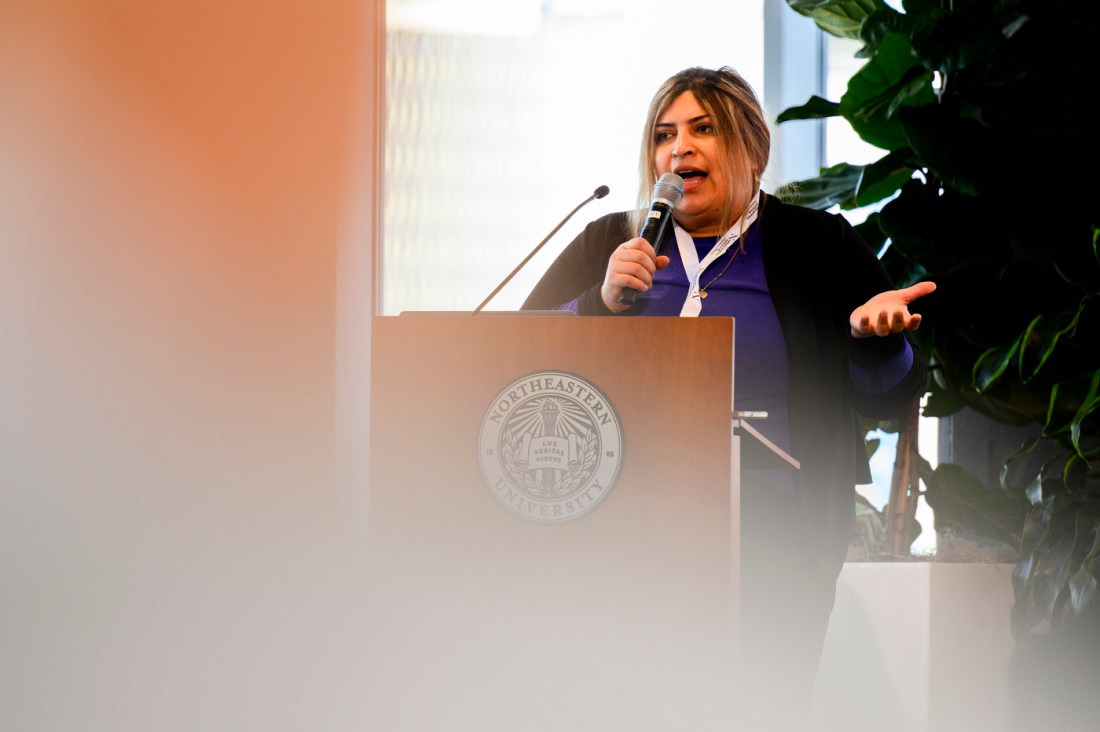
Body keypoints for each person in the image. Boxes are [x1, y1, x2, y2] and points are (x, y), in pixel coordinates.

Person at [522, 66, 936, 730]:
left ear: (753, 148)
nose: (678, 149)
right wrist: (596, 305)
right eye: (664, 135)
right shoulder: (610, 241)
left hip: (773, 540)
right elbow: (516, 366)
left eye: (702, 129)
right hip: (617, 535)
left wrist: (873, 341)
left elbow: (886, 398)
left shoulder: (818, 246)